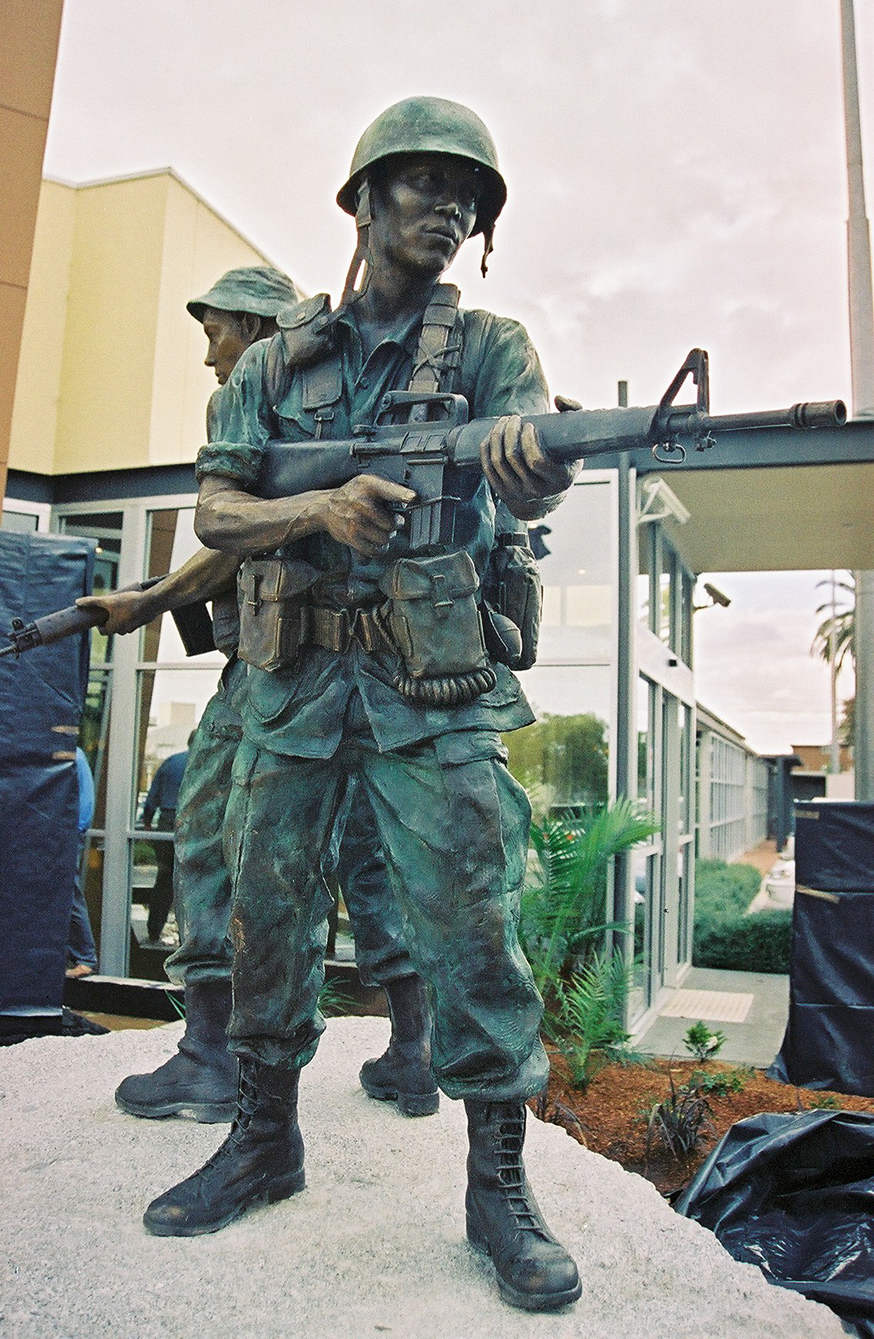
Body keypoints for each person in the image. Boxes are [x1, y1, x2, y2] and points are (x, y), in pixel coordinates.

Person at [143, 99, 582, 1313]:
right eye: (422, 186)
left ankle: (498, 1186)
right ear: (362, 202)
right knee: (268, 913)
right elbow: (219, 511)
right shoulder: (277, 363)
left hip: (431, 690)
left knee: (466, 926)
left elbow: (538, 466)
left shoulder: (493, 346)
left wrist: (538, 462)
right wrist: (317, 511)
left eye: (467, 197)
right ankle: (263, 1136)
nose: (445, 209)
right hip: (293, 684)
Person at [80, 267, 438, 1122]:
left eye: (216, 334)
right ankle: (413, 1051)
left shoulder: (264, 396)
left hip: (278, 675)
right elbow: (253, 537)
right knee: (369, 856)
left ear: (256, 328)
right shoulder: (333, 402)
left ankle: (208, 1054)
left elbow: (237, 531)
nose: (210, 357)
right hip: (365, 675)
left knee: (205, 832)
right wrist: (153, 597)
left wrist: (155, 596)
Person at [139, 740, 190, 943]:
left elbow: (152, 798)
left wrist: (148, 822)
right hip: (195, 820)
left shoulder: (171, 762)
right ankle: (190, 938)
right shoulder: (204, 761)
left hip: (168, 820)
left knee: (165, 878)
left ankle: (154, 929)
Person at [65, 747, 98, 978]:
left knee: (69, 894)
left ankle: (85, 957)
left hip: (64, 834)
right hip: (55, 833)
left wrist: (75, 830)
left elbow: (85, 800)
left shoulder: (73, 755)